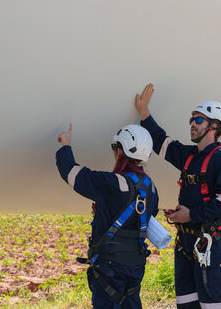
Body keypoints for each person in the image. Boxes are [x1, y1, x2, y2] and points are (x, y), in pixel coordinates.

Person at [135, 83, 221, 309]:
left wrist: (191, 215)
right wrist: (144, 112)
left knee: (211, 305)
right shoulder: (189, 155)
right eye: (192, 119)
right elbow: (162, 143)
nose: (192, 123)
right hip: (186, 243)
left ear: (213, 126)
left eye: (198, 120)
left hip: (209, 244)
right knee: (186, 304)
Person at [56, 123, 159, 309]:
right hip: (135, 265)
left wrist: (66, 146)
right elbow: (146, 217)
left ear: (121, 151)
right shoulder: (152, 189)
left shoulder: (112, 183)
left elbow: (72, 173)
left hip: (110, 267)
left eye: (115, 148)